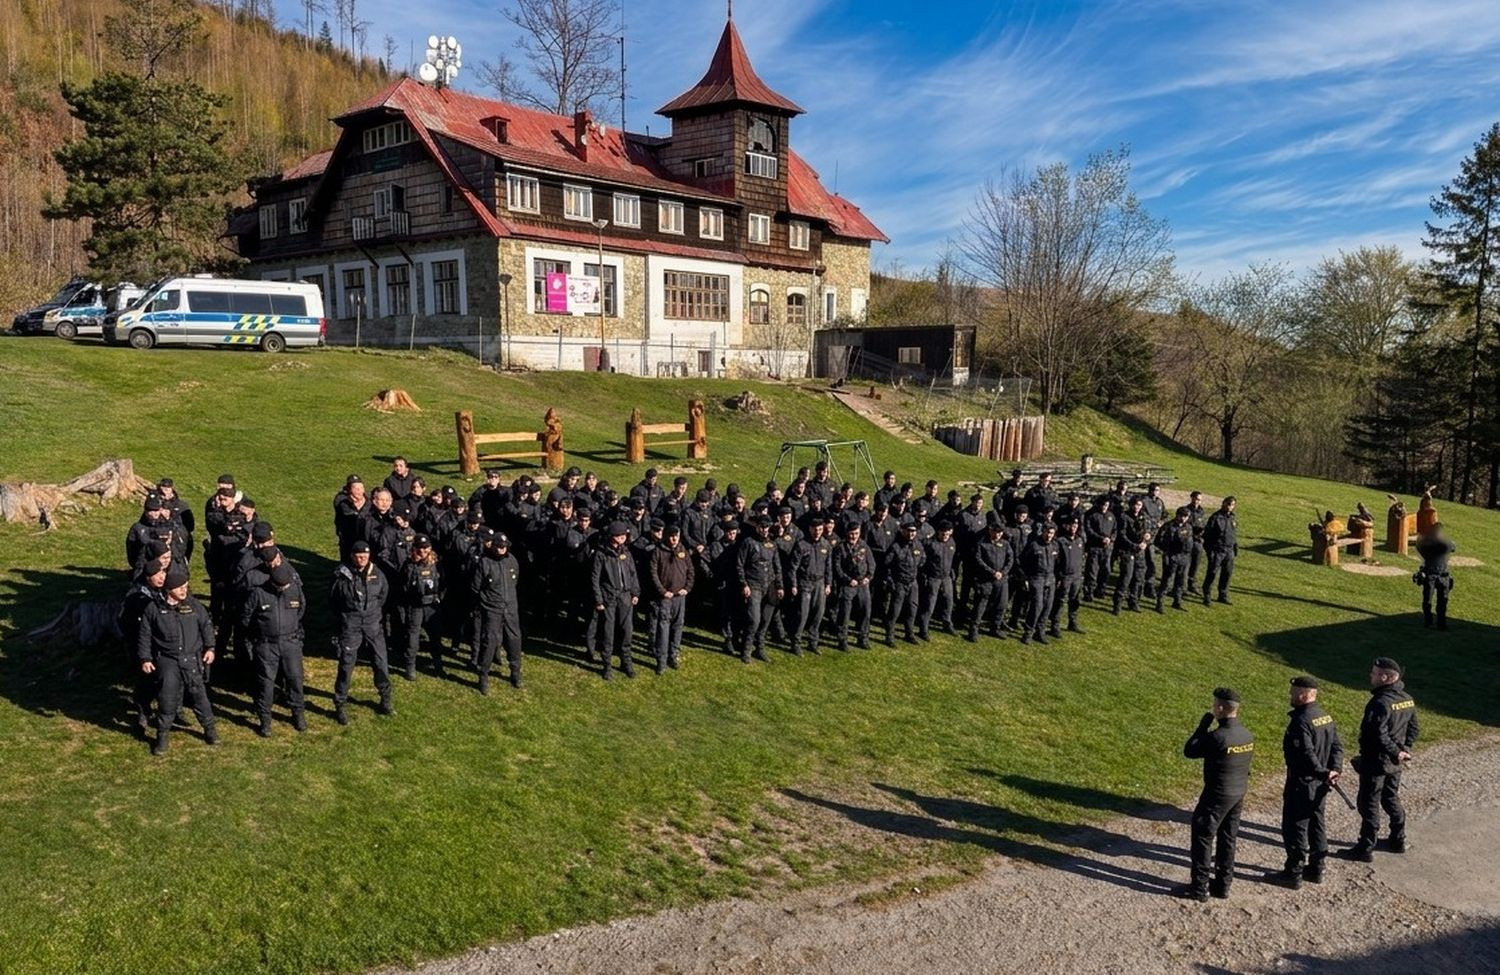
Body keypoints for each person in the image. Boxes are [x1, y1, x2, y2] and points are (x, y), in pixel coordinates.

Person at [1340, 657, 1418, 862]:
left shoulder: (1380, 702)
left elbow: (1377, 733)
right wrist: (1404, 750)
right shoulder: (1407, 698)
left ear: (1386, 677)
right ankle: (1398, 839)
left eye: (1375, 673)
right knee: (1391, 798)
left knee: (1369, 803)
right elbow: (1413, 728)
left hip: (1376, 761)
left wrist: (1395, 751)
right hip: (1395, 763)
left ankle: (1365, 846)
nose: (1371, 676)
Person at [1180, 687, 1254, 901]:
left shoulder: (1218, 737)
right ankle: (1222, 885)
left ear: (1221, 708)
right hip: (1238, 793)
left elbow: (1190, 750)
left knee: (1203, 837)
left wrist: (1203, 726)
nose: (1214, 707)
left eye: (1215, 705)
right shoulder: (1246, 735)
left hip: (1216, 795)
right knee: (1228, 838)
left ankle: (1199, 888)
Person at [137, 566, 217, 755]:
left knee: (200, 699)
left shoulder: (194, 606)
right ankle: (162, 737)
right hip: (168, 662)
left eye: (186, 587)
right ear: (169, 589)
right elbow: (144, 636)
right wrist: (145, 658)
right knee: (167, 701)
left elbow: (206, 625)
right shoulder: (153, 609)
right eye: (180, 587)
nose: (184, 590)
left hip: (192, 661)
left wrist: (210, 648)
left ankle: (210, 730)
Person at [1272, 676, 1343, 889]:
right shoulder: (1325, 717)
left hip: (1302, 782)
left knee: (1296, 827)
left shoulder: (1301, 721)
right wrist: (1334, 770)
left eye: (1293, 692)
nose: (1290, 696)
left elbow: (1306, 754)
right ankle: (1316, 868)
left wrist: (1322, 772)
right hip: (1321, 784)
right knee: (1317, 824)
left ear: (1304, 694)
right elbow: (1337, 747)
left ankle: (1293, 873)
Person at [240, 553, 307, 736]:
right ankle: (265, 720)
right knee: (266, 684)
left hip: (290, 642)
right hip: (266, 644)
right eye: (281, 586)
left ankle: (298, 714)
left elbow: (301, 609)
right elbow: (246, 618)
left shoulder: (294, 589)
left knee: (295, 679)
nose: (285, 588)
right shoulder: (258, 594)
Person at [329, 540, 393, 723]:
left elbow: (383, 595)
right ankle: (340, 702)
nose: (362, 560)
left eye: (365, 556)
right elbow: (333, 600)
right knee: (346, 665)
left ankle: (385, 698)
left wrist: (372, 613)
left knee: (380, 662)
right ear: (352, 556)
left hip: (373, 624)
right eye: (359, 557)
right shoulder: (341, 575)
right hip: (350, 624)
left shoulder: (377, 574)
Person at [117, 562, 167, 735]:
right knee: (144, 682)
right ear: (148, 577)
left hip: (161, 645)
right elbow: (124, 621)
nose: (162, 577)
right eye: (158, 575)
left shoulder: (164, 591)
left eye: (163, 573)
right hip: (142, 645)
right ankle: (143, 714)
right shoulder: (136, 596)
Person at [471, 530, 523, 693]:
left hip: (511, 607)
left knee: (514, 640)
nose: (501, 549)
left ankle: (515, 672)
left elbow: (515, 581)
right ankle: (483, 675)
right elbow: (476, 587)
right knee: (490, 642)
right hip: (492, 608)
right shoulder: (484, 562)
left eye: (504, 547)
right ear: (492, 546)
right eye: (498, 546)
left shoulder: (512, 560)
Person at [592, 521, 640, 680]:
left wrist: (635, 592)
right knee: (608, 633)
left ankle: (626, 661)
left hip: (625, 597)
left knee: (627, 631)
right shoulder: (601, 554)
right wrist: (598, 599)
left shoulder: (627, 553)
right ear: (613, 537)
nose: (623, 538)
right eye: (620, 536)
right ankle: (607, 665)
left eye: (624, 536)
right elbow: (595, 579)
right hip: (609, 597)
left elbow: (633, 574)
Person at [736, 515, 784, 662]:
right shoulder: (748, 542)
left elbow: (777, 566)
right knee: (754, 620)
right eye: (762, 527)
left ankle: (760, 648)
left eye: (766, 527)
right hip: (753, 584)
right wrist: (744, 584)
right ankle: (746, 650)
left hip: (769, 585)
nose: (764, 530)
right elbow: (739, 565)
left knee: (765, 620)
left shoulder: (772, 544)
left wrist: (779, 586)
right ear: (757, 527)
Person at [649, 522, 695, 671]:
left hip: (680, 597)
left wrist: (687, 588)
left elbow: (691, 572)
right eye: (672, 536)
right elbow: (653, 574)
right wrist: (662, 591)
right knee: (663, 628)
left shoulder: (683, 551)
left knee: (678, 627)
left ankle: (673, 654)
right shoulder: (658, 551)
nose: (674, 539)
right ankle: (661, 661)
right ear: (667, 536)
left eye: (677, 537)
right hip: (665, 598)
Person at [399, 536, 445, 679]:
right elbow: (404, 585)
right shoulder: (409, 564)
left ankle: (438, 664)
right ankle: (410, 666)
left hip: (432, 605)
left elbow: (443, 582)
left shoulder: (436, 563)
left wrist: (439, 599)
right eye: (420, 548)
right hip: (416, 606)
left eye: (425, 548)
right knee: (413, 637)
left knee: (435, 636)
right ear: (414, 549)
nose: (423, 551)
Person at [788, 518, 833, 655]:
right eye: (815, 529)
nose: (817, 532)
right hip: (805, 582)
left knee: (818, 614)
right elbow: (793, 567)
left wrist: (828, 584)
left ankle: (813, 642)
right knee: (803, 614)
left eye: (820, 529)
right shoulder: (802, 545)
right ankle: (795, 642)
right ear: (810, 529)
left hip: (820, 583)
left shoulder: (826, 545)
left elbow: (829, 567)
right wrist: (794, 584)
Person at [966, 517, 1011, 642]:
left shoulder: (1005, 544)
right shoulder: (982, 543)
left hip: (1002, 579)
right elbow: (978, 560)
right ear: (990, 531)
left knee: (1001, 605)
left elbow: (1010, 559)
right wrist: (992, 572)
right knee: (980, 605)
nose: (998, 535)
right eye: (995, 532)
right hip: (985, 579)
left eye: (1000, 532)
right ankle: (973, 630)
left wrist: (1003, 572)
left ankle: (995, 628)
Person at [832, 523, 875, 651]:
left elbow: (871, 564)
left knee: (865, 611)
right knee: (845, 614)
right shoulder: (840, 547)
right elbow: (837, 567)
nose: (854, 536)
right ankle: (842, 640)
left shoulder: (864, 545)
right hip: (848, 584)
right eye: (851, 534)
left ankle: (863, 638)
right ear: (847, 533)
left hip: (863, 584)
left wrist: (868, 577)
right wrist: (848, 579)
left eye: (856, 533)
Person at [1018, 521, 1058, 645]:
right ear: (1043, 531)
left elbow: (1058, 562)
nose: (1049, 535)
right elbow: (1022, 561)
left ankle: (1040, 632)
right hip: (1037, 578)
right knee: (1037, 606)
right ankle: (1028, 632)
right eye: (1048, 532)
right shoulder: (1034, 545)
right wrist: (1026, 577)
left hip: (1050, 578)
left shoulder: (1055, 546)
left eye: (1052, 533)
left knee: (1047, 607)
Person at [884, 522, 924, 645]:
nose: (911, 533)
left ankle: (909, 633)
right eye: (908, 531)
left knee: (912, 609)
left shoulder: (918, 545)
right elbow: (887, 564)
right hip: (899, 582)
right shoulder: (896, 546)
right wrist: (891, 581)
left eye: (913, 531)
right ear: (903, 531)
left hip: (912, 582)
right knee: (895, 611)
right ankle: (889, 636)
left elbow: (923, 558)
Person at [919, 520, 958, 639]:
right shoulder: (929, 543)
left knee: (949, 602)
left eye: (948, 533)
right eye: (943, 533)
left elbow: (953, 559)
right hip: (933, 577)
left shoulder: (951, 542)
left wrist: (952, 572)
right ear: (938, 532)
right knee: (930, 604)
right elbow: (922, 561)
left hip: (946, 577)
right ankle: (923, 628)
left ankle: (947, 623)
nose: (945, 536)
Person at [1048, 517, 1086, 636]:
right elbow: (1056, 561)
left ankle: (1072, 622)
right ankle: (1055, 625)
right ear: (1067, 526)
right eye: (1072, 525)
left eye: (1076, 526)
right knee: (1060, 601)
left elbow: (1082, 557)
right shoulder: (1060, 541)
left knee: (1074, 600)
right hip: (1065, 576)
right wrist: (1059, 576)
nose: (1074, 528)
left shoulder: (1079, 540)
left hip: (1077, 576)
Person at [1414, 522, 1455, 629]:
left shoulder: (1434, 545)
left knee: (1442, 601)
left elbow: (1452, 546)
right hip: (1431, 574)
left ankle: (1440, 623)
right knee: (1428, 601)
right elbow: (1451, 546)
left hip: (1442, 575)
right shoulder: (1438, 545)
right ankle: (1429, 621)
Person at [1156, 506, 1195, 612]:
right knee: (1166, 580)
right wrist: (1166, 553)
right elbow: (1159, 540)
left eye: (1186, 516)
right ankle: (1160, 602)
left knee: (1180, 580)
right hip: (1172, 556)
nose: (1184, 518)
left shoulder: (1188, 527)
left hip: (1184, 557)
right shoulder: (1168, 526)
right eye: (1182, 516)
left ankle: (1177, 601)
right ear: (1177, 515)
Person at [1201, 497, 1238, 605]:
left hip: (1229, 550)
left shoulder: (1233, 518)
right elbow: (1207, 536)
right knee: (1212, 573)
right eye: (1228, 504)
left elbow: (1233, 534)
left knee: (1227, 574)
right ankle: (1207, 595)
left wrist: (1234, 548)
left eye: (1232, 505)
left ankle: (1222, 594)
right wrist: (1210, 552)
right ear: (1223, 503)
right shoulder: (1215, 518)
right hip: (1217, 550)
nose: (1230, 507)